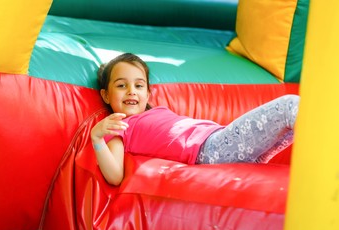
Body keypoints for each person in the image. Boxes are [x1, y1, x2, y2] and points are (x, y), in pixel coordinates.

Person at [91, 53, 299, 185]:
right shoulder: (120, 126)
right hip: (211, 150)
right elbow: (115, 176)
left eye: (138, 85)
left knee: (289, 126)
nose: (131, 92)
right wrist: (97, 139)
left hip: (221, 140)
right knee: (288, 106)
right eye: (121, 85)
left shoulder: (155, 112)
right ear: (106, 95)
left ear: (148, 93)